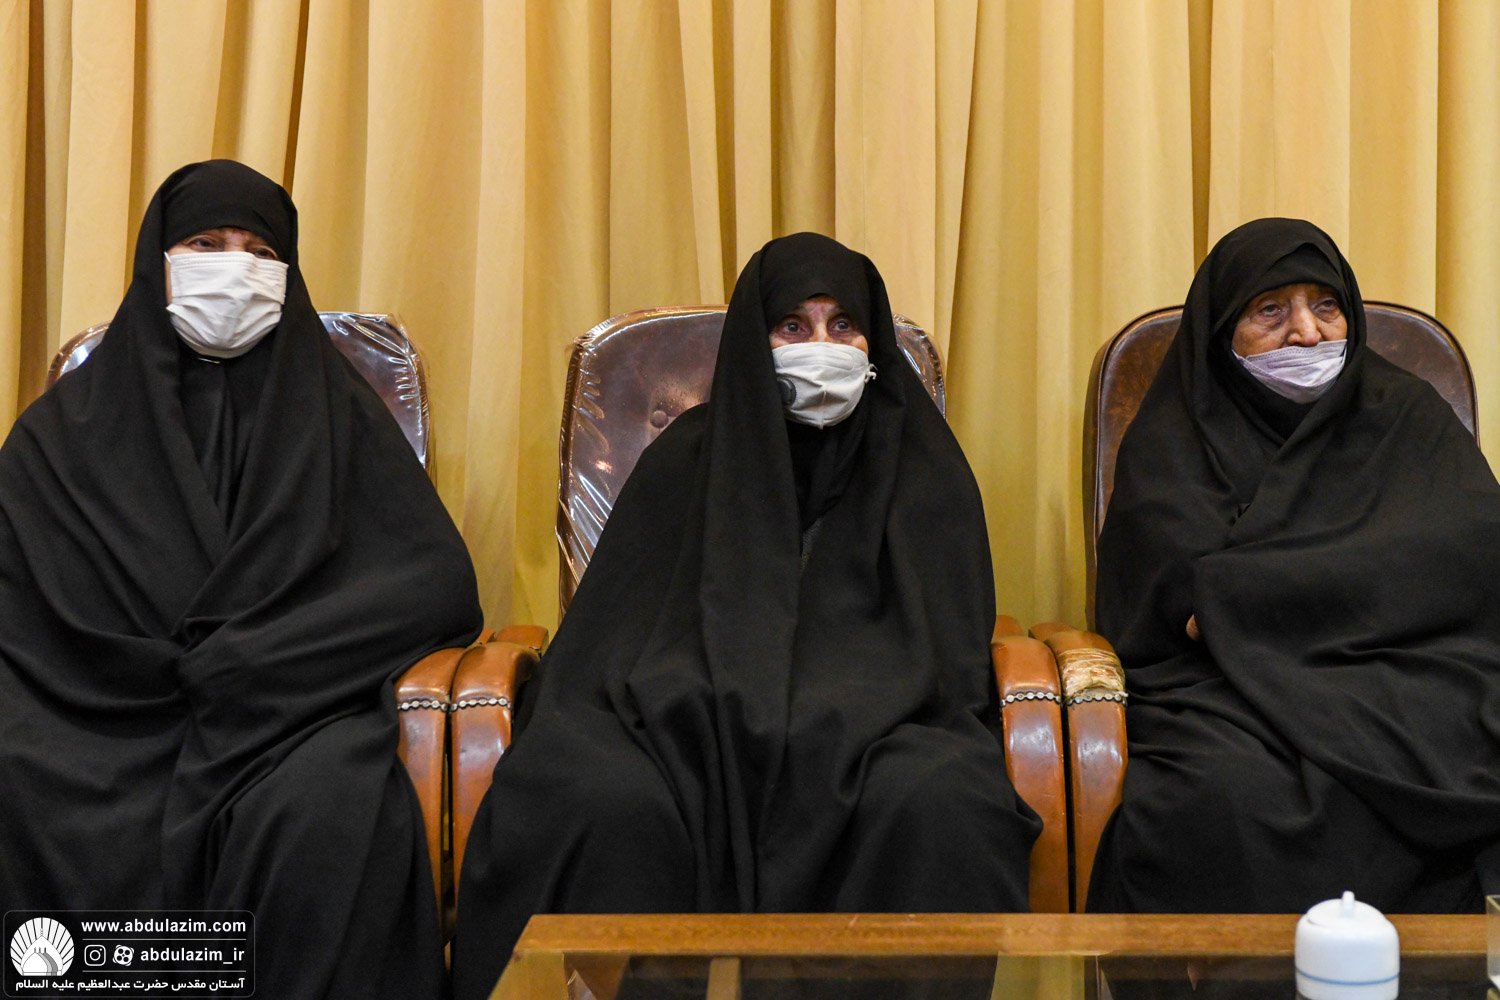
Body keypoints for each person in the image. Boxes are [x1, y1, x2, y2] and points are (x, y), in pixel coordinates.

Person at [452, 233, 1039, 997]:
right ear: (753, 342)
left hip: (886, 726)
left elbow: (948, 658)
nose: (821, 347)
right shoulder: (687, 460)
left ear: (872, 342)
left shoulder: (925, 470)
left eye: (843, 325)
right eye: (793, 326)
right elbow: (613, 637)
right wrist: (718, 706)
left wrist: (827, 718)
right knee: (591, 792)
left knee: (945, 802)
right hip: (685, 718)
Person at [0, 160, 483, 996]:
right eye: (205, 244)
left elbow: (432, 585)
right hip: (97, 714)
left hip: (283, 720)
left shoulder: (339, 418)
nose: (234, 269)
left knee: (338, 808)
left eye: (261, 252)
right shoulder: (57, 437)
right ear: (156, 260)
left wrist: (261, 658)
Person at [1087, 217, 1500, 914]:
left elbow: (1472, 558)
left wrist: (1248, 591)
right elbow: (1179, 604)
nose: (1307, 333)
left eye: (1326, 306)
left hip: (1419, 671)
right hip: (1234, 688)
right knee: (1225, 796)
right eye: (1271, 311)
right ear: (1222, 332)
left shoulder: (1406, 412)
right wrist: (1373, 580)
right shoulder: (1175, 440)